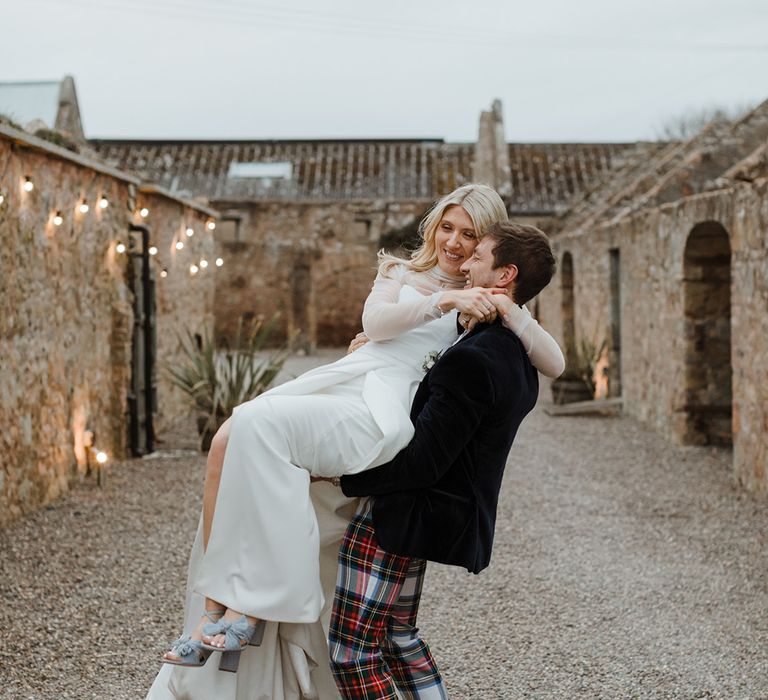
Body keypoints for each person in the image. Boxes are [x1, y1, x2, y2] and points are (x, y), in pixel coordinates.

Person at [148, 184, 564, 699]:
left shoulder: (482, 304)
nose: (455, 243)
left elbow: (553, 362)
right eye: (448, 227)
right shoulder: (402, 274)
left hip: (382, 402)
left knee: (255, 432)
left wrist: (509, 310)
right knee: (227, 440)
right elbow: (376, 322)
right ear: (434, 225)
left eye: (471, 236)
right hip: (350, 376)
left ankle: (245, 606)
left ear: (491, 251)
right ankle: (214, 603)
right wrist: (442, 298)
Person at [328, 221, 556, 699]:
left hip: (403, 512)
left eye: (479, 255)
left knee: (352, 654)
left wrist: (341, 473)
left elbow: (424, 461)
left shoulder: (476, 357)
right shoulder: (512, 347)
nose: (465, 259)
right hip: (431, 514)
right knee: (398, 638)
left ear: (504, 274)